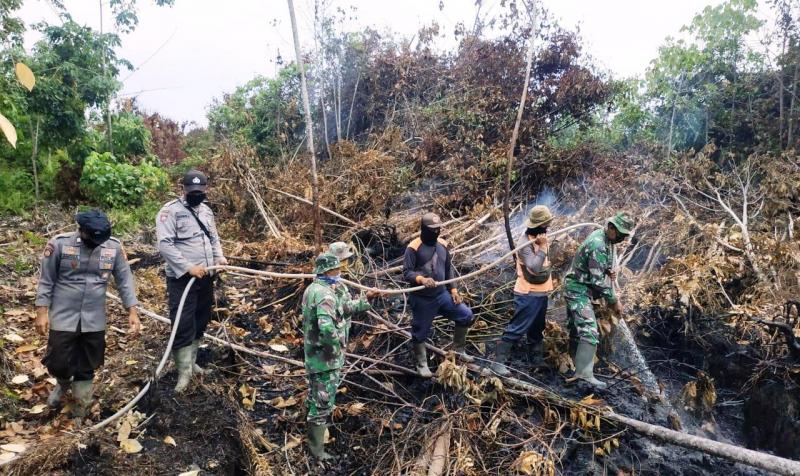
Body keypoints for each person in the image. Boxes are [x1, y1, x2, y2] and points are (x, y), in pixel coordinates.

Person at [34, 209, 140, 422]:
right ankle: (63, 383)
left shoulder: (114, 247)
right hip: (64, 314)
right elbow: (46, 280)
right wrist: (42, 311)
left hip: (94, 317)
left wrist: (132, 310)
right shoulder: (60, 245)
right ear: (81, 230)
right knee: (58, 361)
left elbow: (124, 280)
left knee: (87, 364)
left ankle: (79, 413)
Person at [156, 170, 228, 393]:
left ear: (206, 189)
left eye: (200, 190)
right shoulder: (170, 212)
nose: (196, 194)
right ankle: (183, 372)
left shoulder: (206, 211)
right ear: (183, 189)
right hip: (182, 280)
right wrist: (188, 267)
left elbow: (213, 238)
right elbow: (165, 244)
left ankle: (192, 363)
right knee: (183, 323)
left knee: (201, 318)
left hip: (207, 276)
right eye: (191, 190)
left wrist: (219, 256)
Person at [302, 252, 378, 460]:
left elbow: (343, 309)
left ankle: (313, 433)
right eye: (336, 269)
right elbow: (326, 327)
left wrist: (367, 299)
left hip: (316, 356)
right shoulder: (325, 295)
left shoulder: (316, 289)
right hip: (325, 359)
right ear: (328, 271)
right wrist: (336, 349)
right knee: (323, 401)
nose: (340, 272)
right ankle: (316, 449)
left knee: (315, 395)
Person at [563, 212, 634, 389]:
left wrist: (608, 272)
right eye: (620, 234)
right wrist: (614, 301)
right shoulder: (599, 245)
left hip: (582, 287)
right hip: (577, 290)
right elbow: (597, 282)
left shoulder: (607, 240)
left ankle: (573, 363)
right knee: (590, 331)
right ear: (611, 228)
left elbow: (600, 269)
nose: (622, 238)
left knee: (576, 328)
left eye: (625, 235)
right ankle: (584, 375)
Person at [403, 212, 474, 378]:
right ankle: (421, 364)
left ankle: (458, 350)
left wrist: (454, 290)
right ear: (424, 228)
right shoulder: (413, 247)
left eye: (438, 228)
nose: (436, 232)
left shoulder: (442, 244)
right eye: (432, 229)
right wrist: (421, 279)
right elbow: (406, 273)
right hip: (422, 299)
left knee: (465, 315)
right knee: (420, 332)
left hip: (442, 295)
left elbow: (448, 269)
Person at [492, 205, 555, 376]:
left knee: (537, 328)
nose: (547, 228)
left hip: (541, 293)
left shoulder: (542, 238)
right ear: (537, 225)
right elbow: (534, 268)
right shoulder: (525, 243)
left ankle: (536, 359)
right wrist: (542, 248)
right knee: (517, 328)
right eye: (545, 225)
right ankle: (498, 362)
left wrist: (542, 245)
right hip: (527, 294)